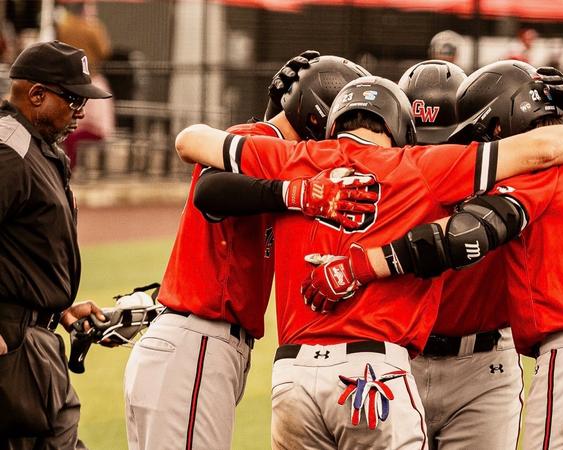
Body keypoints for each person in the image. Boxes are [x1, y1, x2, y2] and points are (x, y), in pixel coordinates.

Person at [176, 70, 563, 448]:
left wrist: (293, 191)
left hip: (293, 377)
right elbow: (553, 153)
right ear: (400, 125)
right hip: (378, 372)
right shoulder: (420, 166)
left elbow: (191, 141)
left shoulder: (297, 158)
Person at [302, 60, 563, 450]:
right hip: (407, 359)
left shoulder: (530, 172)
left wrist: (359, 265)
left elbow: (460, 237)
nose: (440, 147)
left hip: (514, 364)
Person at [122, 53, 375, 450]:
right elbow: (211, 190)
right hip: (200, 341)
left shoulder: (275, 151)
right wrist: (296, 194)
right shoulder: (259, 140)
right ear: (316, 118)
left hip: (200, 346)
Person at [397, 59, 525, 449]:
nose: (433, 152)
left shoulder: (509, 172)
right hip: (399, 360)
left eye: (446, 139)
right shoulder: (385, 174)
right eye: (421, 141)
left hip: (484, 367)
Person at [0, 40, 111, 449]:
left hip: (41, 346)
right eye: (73, 99)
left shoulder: (38, 147)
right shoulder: (8, 151)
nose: (80, 111)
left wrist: (59, 307)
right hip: (15, 354)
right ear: (36, 95)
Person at [56, 1, 114, 170]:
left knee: (70, 126)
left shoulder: (63, 26)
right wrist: (94, 25)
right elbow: (105, 51)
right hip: (91, 78)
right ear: (85, 9)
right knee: (100, 128)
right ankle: (93, 168)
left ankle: (69, 164)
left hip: (67, 80)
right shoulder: (92, 27)